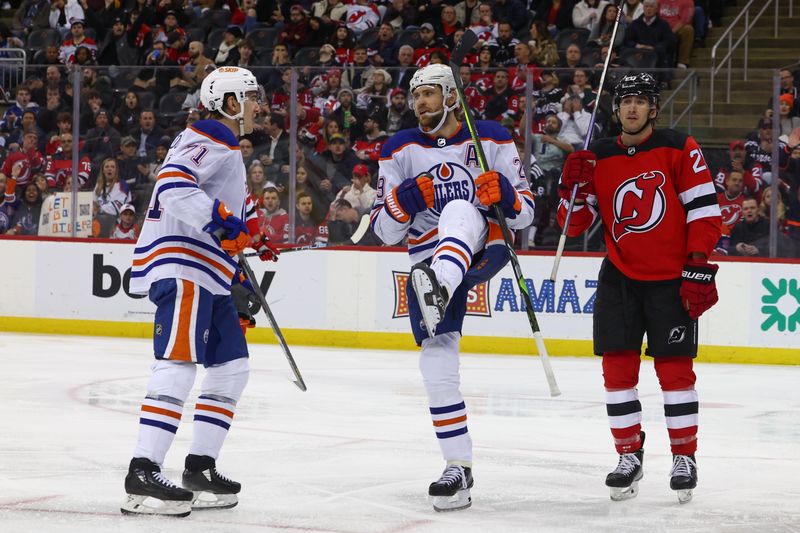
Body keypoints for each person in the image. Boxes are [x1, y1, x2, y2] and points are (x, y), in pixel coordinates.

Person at [370, 63, 535, 512]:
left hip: (480, 248)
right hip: (425, 260)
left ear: (450, 96)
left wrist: (504, 192)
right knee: (436, 360)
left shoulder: (491, 137)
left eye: (428, 93)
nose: (420, 102)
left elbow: (524, 216)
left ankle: (439, 286)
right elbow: (384, 232)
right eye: (415, 95)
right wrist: (403, 202)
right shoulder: (399, 148)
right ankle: (457, 467)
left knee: (460, 209)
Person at [122, 67, 279, 517]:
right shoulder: (209, 134)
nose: (257, 104)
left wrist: (250, 233)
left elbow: (229, 202)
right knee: (178, 364)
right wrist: (222, 222)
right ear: (229, 103)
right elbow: (173, 188)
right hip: (185, 264)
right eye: (249, 97)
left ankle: (200, 467)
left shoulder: (224, 146)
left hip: (210, 272)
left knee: (231, 368)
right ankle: (143, 470)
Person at [557, 73, 722, 504]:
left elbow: (705, 211)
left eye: (640, 101)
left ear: (653, 108)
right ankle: (628, 454)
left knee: (675, 373)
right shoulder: (600, 155)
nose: (632, 108)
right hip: (620, 278)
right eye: (626, 101)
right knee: (617, 373)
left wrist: (698, 265)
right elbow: (572, 225)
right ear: (617, 109)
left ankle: (684, 457)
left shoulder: (679, 147)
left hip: (671, 280)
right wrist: (570, 185)